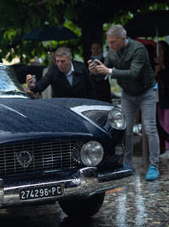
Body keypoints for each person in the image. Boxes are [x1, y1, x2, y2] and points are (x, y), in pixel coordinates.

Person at [88, 24, 160, 181]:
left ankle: (154, 165)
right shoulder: (112, 53)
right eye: (109, 42)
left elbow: (134, 73)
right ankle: (127, 163)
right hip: (128, 93)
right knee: (125, 129)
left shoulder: (138, 49)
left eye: (113, 42)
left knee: (149, 127)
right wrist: (95, 72)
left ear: (123, 39)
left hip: (147, 92)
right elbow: (103, 71)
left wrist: (109, 71)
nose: (110, 45)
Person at [26, 47, 96, 99]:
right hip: (62, 107)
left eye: (62, 61)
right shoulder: (53, 70)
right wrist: (32, 86)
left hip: (81, 105)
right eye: (57, 61)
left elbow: (90, 88)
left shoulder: (81, 68)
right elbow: (41, 85)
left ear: (70, 59)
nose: (59, 64)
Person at [155, 41, 169, 153]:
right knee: (161, 123)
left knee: (167, 123)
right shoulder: (156, 64)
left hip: (167, 98)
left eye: (160, 48)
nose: (159, 51)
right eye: (157, 48)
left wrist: (162, 68)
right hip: (159, 98)